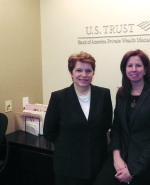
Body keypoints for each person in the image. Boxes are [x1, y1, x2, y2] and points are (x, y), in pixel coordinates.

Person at [94, 49, 150, 185]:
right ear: (124, 69)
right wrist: (116, 157)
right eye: (129, 66)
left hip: (145, 163)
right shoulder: (121, 94)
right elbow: (116, 128)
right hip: (120, 158)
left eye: (138, 65)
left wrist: (133, 170)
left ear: (145, 70)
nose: (134, 69)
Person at [43, 51, 113, 185]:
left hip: (98, 163)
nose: (84, 75)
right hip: (68, 165)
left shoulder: (104, 94)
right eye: (79, 70)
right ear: (71, 72)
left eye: (88, 70)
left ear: (93, 72)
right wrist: (70, 144)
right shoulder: (58, 97)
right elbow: (49, 131)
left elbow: (106, 123)